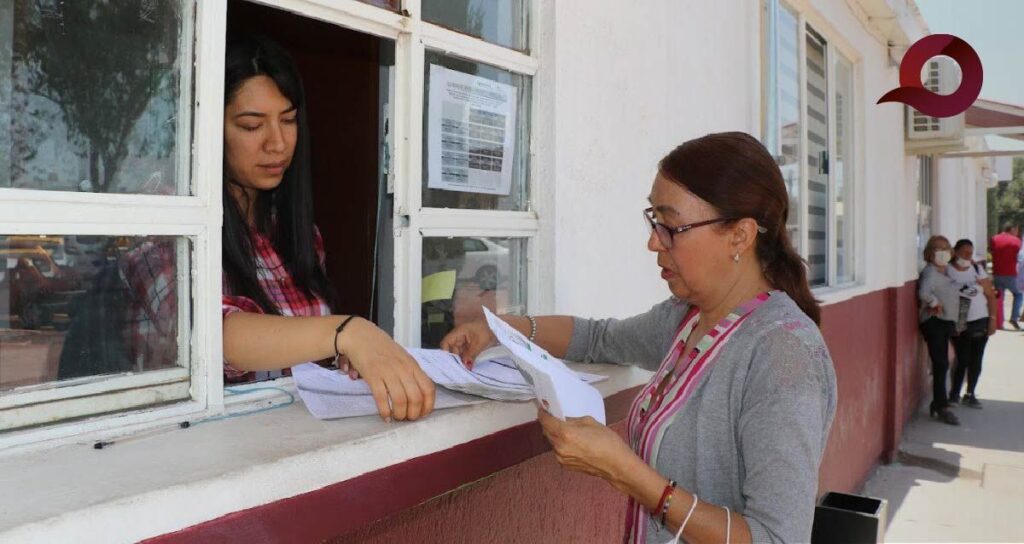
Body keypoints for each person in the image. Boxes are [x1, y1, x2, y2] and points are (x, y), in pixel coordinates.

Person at [442, 132, 837, 543]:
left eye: (671, 226)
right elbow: (597, 338)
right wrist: (501, 329)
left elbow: (777, 539)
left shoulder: (783, 354)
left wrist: (626, 472)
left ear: (740, 235)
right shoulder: (688, 319)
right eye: (653, 220)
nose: (653, 242)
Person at [114, 36, 435, 422]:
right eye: (252, 125)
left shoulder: (296, 235)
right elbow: (212, 335)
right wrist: (346, 333)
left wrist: (347, 357)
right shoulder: (168, 234)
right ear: (207, 129)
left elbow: (298, 350)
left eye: (288, 120)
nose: (278, 143)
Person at [946, 239, 997, 408]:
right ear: (955, 252)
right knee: (962, 358)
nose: (968, 256)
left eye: (970, 253)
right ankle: (954, 394)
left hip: (980, 318)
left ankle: (970, 393)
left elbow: (990, 295)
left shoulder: (977, 269)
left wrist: (992, 319)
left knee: (976, 358)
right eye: (964, 252)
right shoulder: (947, 271)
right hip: (959, 320)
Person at [917, 235, 960, 425]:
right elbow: (923, 292)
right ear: (930, 252)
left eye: (946, 248)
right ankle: (941, 406)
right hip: (934, 322)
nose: (942, 252)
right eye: (937, 248)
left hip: (946, 322)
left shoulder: (947, 271)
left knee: (943, 362)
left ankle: (939, 403)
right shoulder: (930, 272)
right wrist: (935, 302)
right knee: (941, 363)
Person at [990, 223, 1021, 329]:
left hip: (997, 273)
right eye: (1016, 230)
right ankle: (1014, 318)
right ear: (1013, 229)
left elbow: (992, 251)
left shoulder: (994, 238)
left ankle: (999, 322)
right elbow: (1019, 258)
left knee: (1000, 298)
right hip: (1011, 274)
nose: (1017, 233)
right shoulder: (1016, 241)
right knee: (1018, 294)